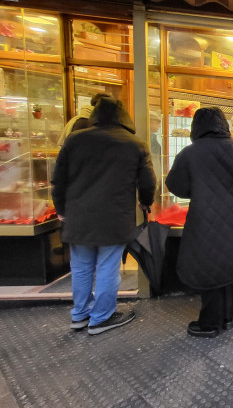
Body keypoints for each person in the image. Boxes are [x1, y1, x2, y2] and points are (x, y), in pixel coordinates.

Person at [51, 95, 155, 335]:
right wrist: (146, 202)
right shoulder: (134, 143)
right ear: (124, 118)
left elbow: (59, 179)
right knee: (108, 266)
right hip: (115, 216)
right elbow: (148, 181)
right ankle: (101, 317)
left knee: (81, 267)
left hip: (79, 215)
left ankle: (80, 315)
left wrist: (61, 209)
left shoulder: (75, 140)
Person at [166, 107, 233, 338]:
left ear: (195, 127)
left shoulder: (189, 153)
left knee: (210, 267)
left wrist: (199, 189)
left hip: (203, 217)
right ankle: (228, 316)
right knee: (231, 264)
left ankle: (209, 323)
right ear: (224, 124)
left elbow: (175, 185)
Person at [149, 110, 162, 201]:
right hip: (151, 178)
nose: (160, 124)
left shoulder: (153, 138)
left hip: (155, 178)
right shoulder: (149, 139)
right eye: (157, 122)